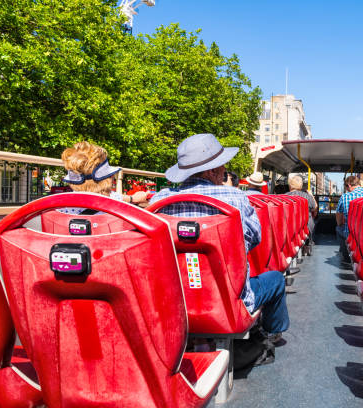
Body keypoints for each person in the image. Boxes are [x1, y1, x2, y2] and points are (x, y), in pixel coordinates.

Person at [149, 133, 289, 339]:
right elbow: (253, 240)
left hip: (172, 302)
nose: (225, 170)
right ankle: (272, 333)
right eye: (222, 166)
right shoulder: (236, 198)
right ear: (213, 170)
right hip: (228, 301)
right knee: (276, 279)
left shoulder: (159, 200)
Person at [60, 141, 148, 214]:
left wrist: (132, 198)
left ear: (72, 181)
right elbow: (117, 197)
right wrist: (134, 198)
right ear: (109, 178)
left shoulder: (57, 205)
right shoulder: (115, 204)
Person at [335, 175, 363, 263]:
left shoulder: (345, 197)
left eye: (346, 187)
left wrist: (340, 224)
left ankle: (346, 255)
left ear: (349, 185)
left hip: (350, 233)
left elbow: (339, 219)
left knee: (338, 228)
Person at [286, 174, 317, 243]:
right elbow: (314, 207)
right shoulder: (307, 196)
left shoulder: (284, 196)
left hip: (288, 227)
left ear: (290, 185)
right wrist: (311, 195)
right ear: (301, 185)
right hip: (306, 227)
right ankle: (308, 244)